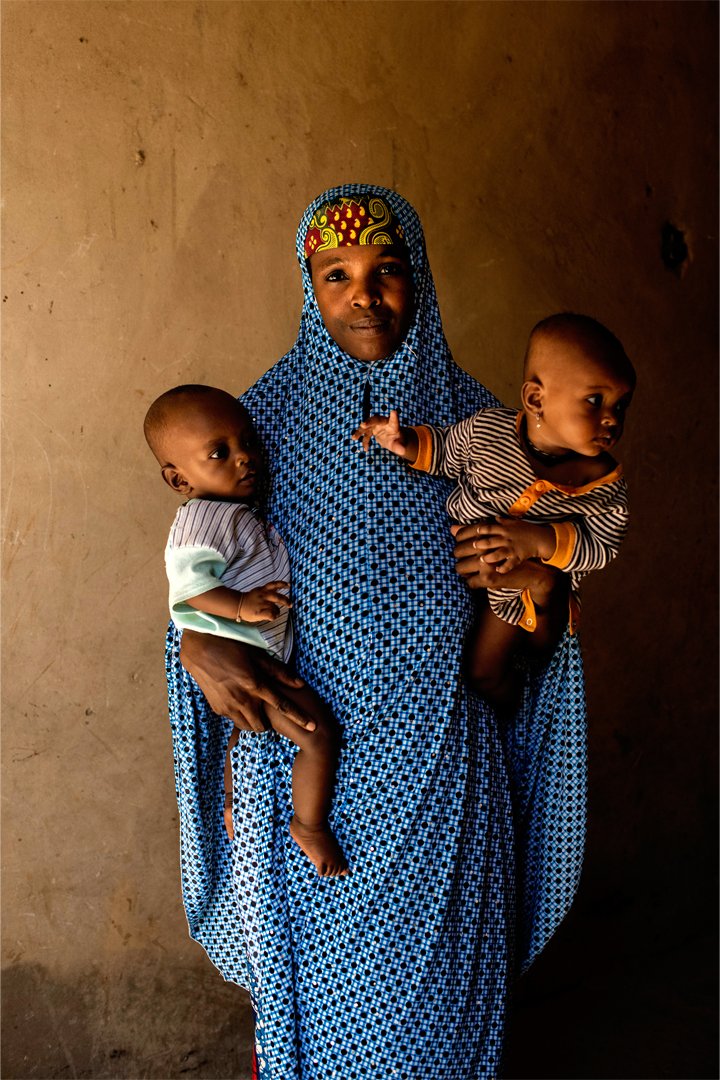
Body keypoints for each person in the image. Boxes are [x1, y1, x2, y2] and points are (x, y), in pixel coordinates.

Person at [165, 184, 587, 1079]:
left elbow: (534, 639)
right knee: (319, 1016)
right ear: (308, 287)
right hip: (303, 770)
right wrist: (196, 645)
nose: (365, 295)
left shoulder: (489, 433)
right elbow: (197, 574)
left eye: (387, 270)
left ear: (419, 278)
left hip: (444, 773)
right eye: (337, 274)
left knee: (438, 1020)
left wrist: (537, 587)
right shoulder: (256, 427)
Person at [352, 313, 635, 715]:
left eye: (621, 405)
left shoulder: (604, 485)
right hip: (453, 568)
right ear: (536, 399)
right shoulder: (488, 431)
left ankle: (516, 717)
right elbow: (446, 450)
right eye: (595, 400)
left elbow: (602, 547)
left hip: (521, 595)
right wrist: (403, 441)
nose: (612, 418)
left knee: (483, 673)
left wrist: (539, 541)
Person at [144, 384, 347, 876]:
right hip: (244, 654)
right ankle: (309, 825)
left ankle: (234, 800)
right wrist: (239, 606)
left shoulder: (231, 512)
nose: (245, 457)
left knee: (244, 731)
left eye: (249, 442)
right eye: (219, 453)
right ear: (178, 479)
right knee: (318, 736)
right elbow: (190, 588)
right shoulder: (200, 520)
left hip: (257, 651)